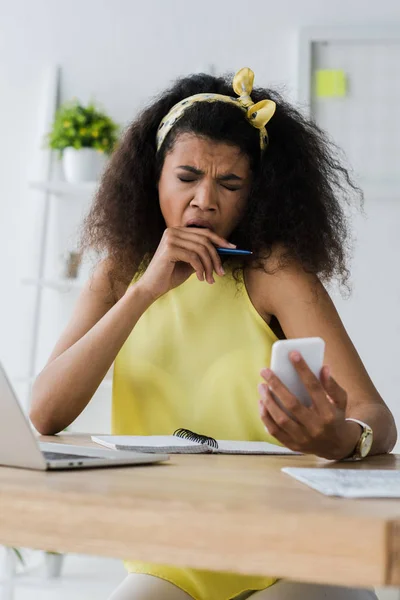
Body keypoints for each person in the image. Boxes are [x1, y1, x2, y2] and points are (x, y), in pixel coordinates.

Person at [30, 68, 396, 600]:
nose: (205, 200)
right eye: (186, 177)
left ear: (255, 195)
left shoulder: (275, 274)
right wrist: (143, 292)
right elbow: (44, 412)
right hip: (172, 554)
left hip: (290, 549)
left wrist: (340, 438)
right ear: (153, 178)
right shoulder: (118, 275)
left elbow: (376, 418)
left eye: (230, 184)